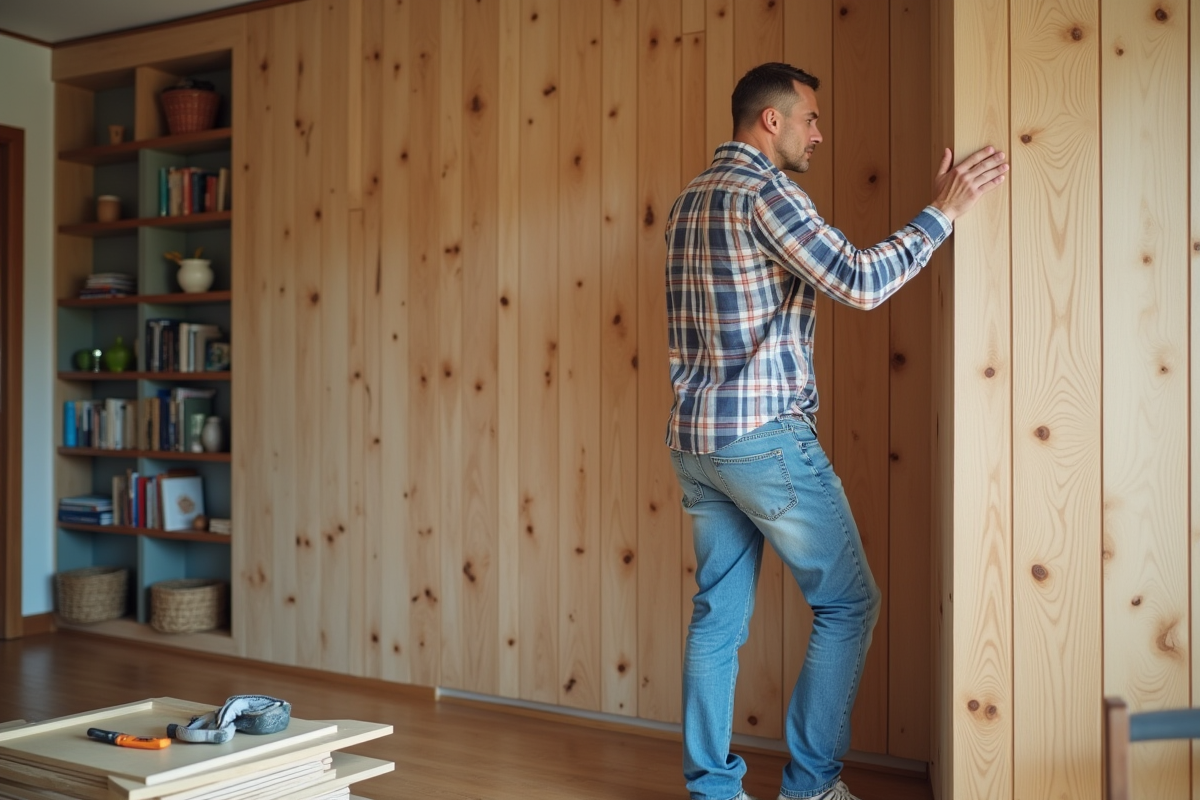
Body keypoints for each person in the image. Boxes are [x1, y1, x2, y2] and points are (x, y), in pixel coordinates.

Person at [663, 62, 1007, 800]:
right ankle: (812, 789)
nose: (820, 133)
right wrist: (941, 212)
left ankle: (711, 792)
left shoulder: (689, 200)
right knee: (850, 603)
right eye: (810, 119)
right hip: (762, 440)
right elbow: (857, 279)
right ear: (770, 121)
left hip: (697, 442)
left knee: (717, 616)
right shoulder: (766, 191)